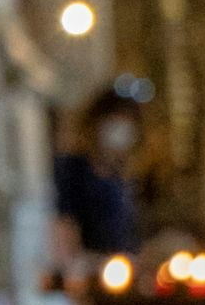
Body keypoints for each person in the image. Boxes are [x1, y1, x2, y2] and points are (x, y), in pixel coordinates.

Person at [53, 86, 144, 272]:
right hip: (89, 275)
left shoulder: (123, 179)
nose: (121, 130)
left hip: (120, 274)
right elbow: (64, 227)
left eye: (128, 123)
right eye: (115, 120)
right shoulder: (72, 170)